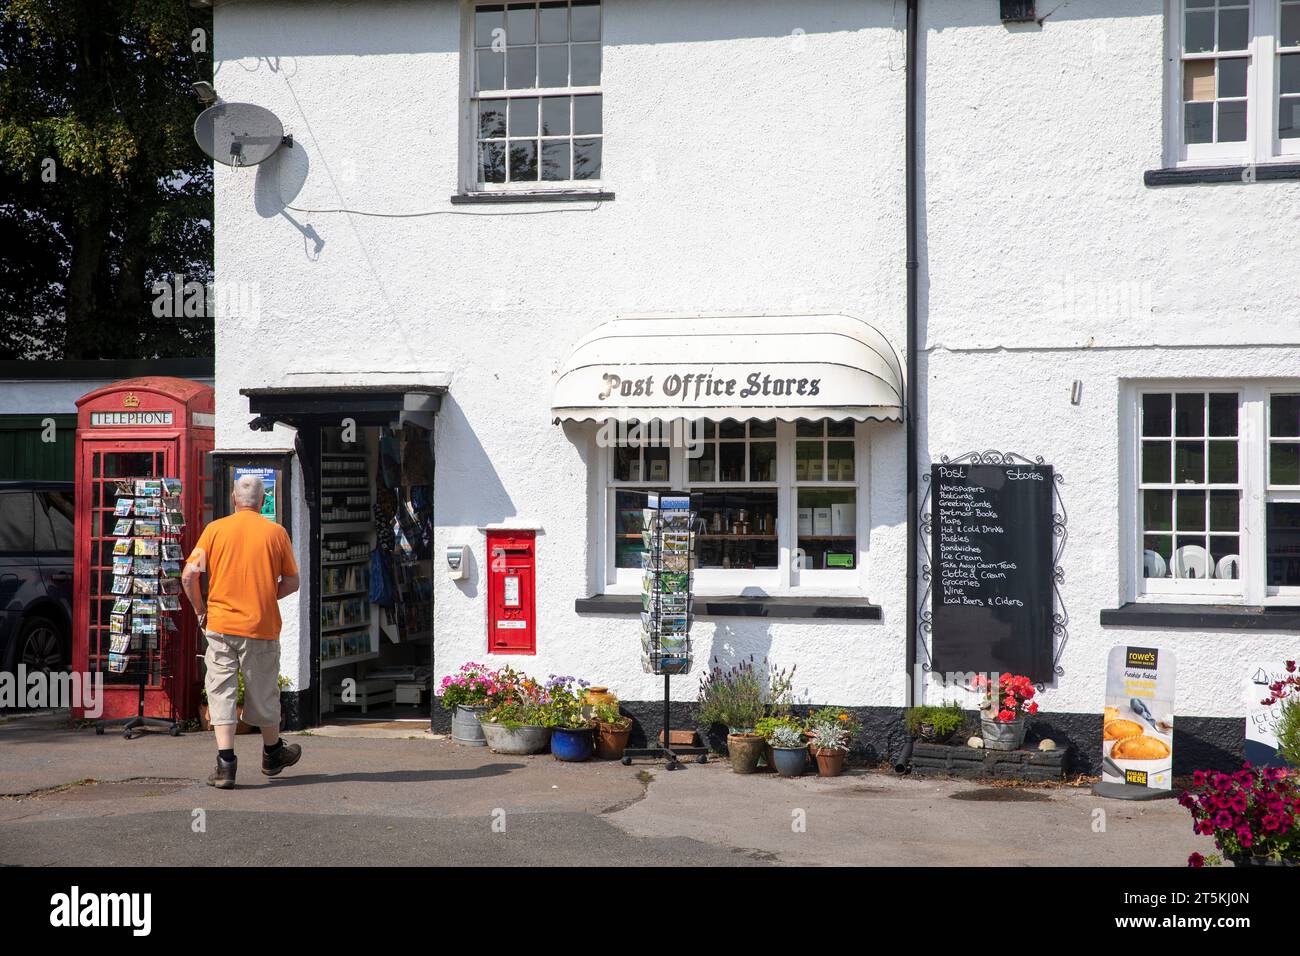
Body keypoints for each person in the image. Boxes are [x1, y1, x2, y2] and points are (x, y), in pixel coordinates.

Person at [182, 474, 301, 789]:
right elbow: (292, 581)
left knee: (220, 691)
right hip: (260, 625)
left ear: (234, 499)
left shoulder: (214, 530)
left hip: (220, 625)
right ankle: (272, 753)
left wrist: (200, 611)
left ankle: (226, 764)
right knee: (263, 691)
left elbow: (188, 576)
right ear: (263, 502)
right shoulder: (276, 533)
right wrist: (263, 595)